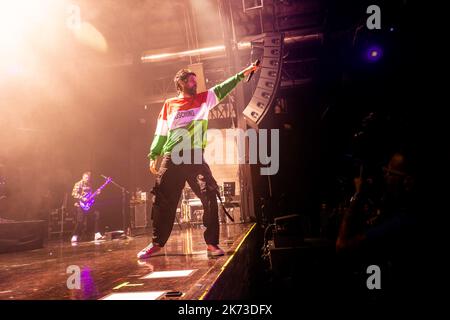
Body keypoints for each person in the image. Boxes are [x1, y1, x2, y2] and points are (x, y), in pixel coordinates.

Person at [137, 62, 260, 259]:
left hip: (194, 156)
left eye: (196, 81)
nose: (195, 84)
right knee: (163, 200)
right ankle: (157, 244)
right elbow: (160, 132)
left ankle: (211, 244)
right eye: (191, 81)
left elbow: (223, 87)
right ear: (180, 83)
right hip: (172, 156)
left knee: (209, 194)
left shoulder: (205, 99)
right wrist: (153, 154)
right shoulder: (169, 105)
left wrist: (243, 73)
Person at [71, 172, 103, 243]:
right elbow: (74, 193)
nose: (87, 179)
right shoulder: (78, 184)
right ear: (82, 177)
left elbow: (91, 196)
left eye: (88, 178)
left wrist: (97, 194)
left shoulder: (90, 184)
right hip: (80, 205)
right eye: (85, 178)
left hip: (88, 205)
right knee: (80, 221)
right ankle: (75, 235)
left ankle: (97, 234)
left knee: (96, 216)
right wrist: (82, 198)